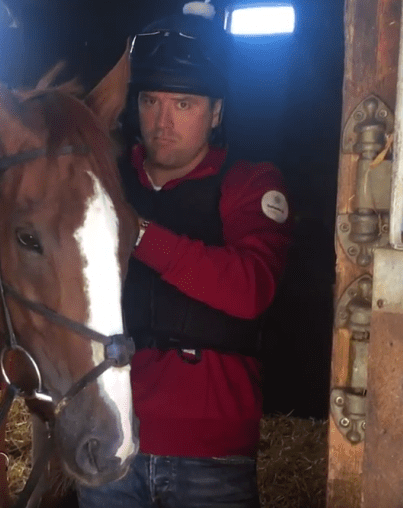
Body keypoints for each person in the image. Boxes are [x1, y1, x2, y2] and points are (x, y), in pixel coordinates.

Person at [77, 2, 293, 507]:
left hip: (210, 456)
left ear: (216, 111)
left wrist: (139, 232)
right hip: (111, 439)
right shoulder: (105, 180)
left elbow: (249, 290)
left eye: (184, 104)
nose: (162, 122)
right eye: (150, 101)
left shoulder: (249, 184)